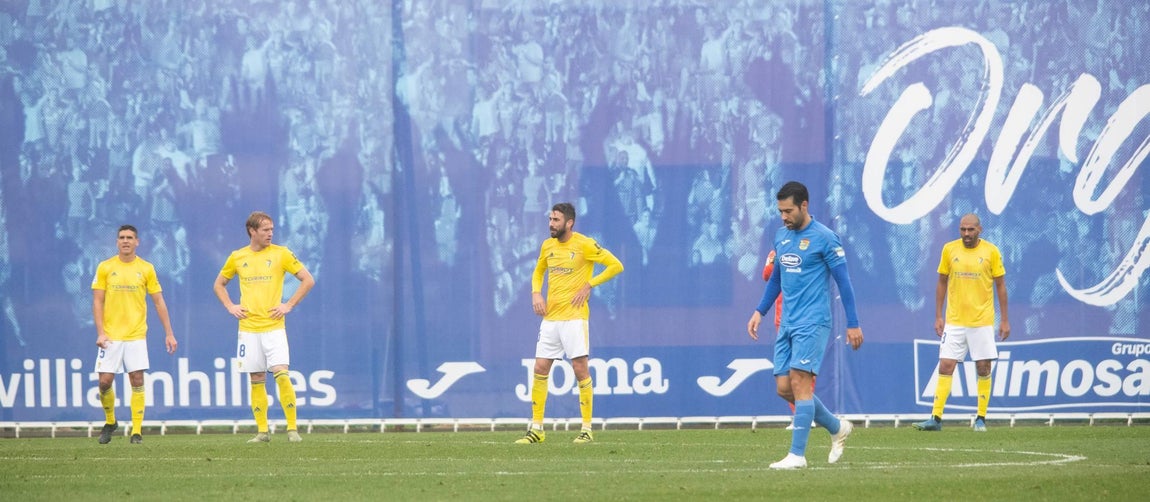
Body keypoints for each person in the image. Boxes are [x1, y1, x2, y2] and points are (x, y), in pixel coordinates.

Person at [747, 181, 863, 469]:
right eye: (780, 211)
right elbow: (776, 278)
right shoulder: (781, 236)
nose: (784, 216)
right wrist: (760, 311)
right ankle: (837, 427)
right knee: (785, 388)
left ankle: (796, 455)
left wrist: (853, 323)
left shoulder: (826, 238)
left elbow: (844, 282)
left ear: (804, 206)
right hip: (787, 322)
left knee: (800, 382)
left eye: (788, 211)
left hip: (813, 321)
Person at [516, 202, 623, 444]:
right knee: (540, 368)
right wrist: (535, 293)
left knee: (579, 369)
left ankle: (586, 429)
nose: (551, 224)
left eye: (556, 220)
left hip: (574, 318)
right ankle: (537, 429)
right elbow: (538, 271)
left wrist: (590, 284)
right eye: (550, 219)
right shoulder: (548, 246)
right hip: (551, 319)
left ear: (569, 223)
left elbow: (616, 265)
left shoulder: (584, 244)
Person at [213, 211, 315, 443]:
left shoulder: (281, 254)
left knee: (281, 373)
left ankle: (292, 429)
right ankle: (262, 432)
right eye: (265, 230)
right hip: (248, 329)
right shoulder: (238, 257)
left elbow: (308, 279)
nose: (270, 233)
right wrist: (230, 306)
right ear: (252, 231)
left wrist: (288, 304)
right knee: (257, 378)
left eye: (271, 229)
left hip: (274, 327)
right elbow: (219, 284)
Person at [914, 213, 1009, 432]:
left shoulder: (991, 251)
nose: (966, 234)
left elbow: (1001, 286)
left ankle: (981, 419)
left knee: (983, 367)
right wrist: (939, 315)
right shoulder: (949, 249)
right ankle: (935, 418)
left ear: (980, 230)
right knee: (946, 364)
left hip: (982, 321)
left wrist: (1004, 319)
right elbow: (941, 282)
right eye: (963, 229)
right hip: (955, 321)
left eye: (970, 230)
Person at [92, 224, 178, 444]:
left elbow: (158, 301)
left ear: (137, 242)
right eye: (121, 237)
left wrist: (169, 333)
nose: (125, 241)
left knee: (137, 379)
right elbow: (97, 301)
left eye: (130, 237)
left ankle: (137, 432)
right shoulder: (105, 267)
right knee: (104, 382)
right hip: (111, 336)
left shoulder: (146, 268)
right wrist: (100, 332)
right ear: (117, 242)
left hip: (136, 335)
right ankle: (111, 422)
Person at [761, 249, 814, 430]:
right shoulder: (776, 252)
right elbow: (767, 275)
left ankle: (805, 415)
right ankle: (799, 415)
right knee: (787, 374)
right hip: (783, 319)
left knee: (804, 370)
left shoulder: (811, 250)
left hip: (807, 318)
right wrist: (777, 261)